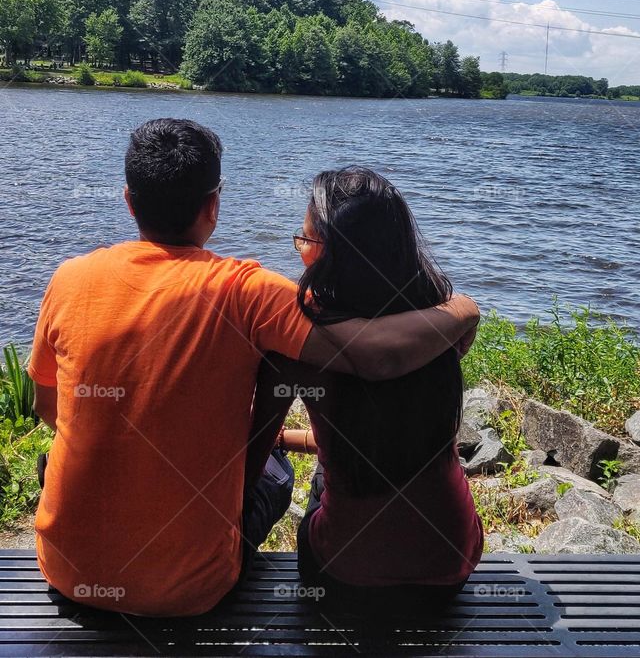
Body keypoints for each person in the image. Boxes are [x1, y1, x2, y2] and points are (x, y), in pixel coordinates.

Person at [28, 119, 478, 617]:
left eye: (303, 239)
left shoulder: (68, 278)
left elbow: (51, 410)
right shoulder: (251, 293)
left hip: (68, 573)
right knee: (282, 474)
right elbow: (374, 354)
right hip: (194, 591)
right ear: (213, 206)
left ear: (129, 202)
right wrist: (462, 308)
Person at [247, 167, 483, 616]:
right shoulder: (438, 325)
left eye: (305, 240)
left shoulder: (299, 342)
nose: (300, 249)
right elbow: (389, 435)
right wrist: (466, 307)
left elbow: (250, 460)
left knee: (303, 476)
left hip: (343, 575)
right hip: (450, 566)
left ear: (330, 254)